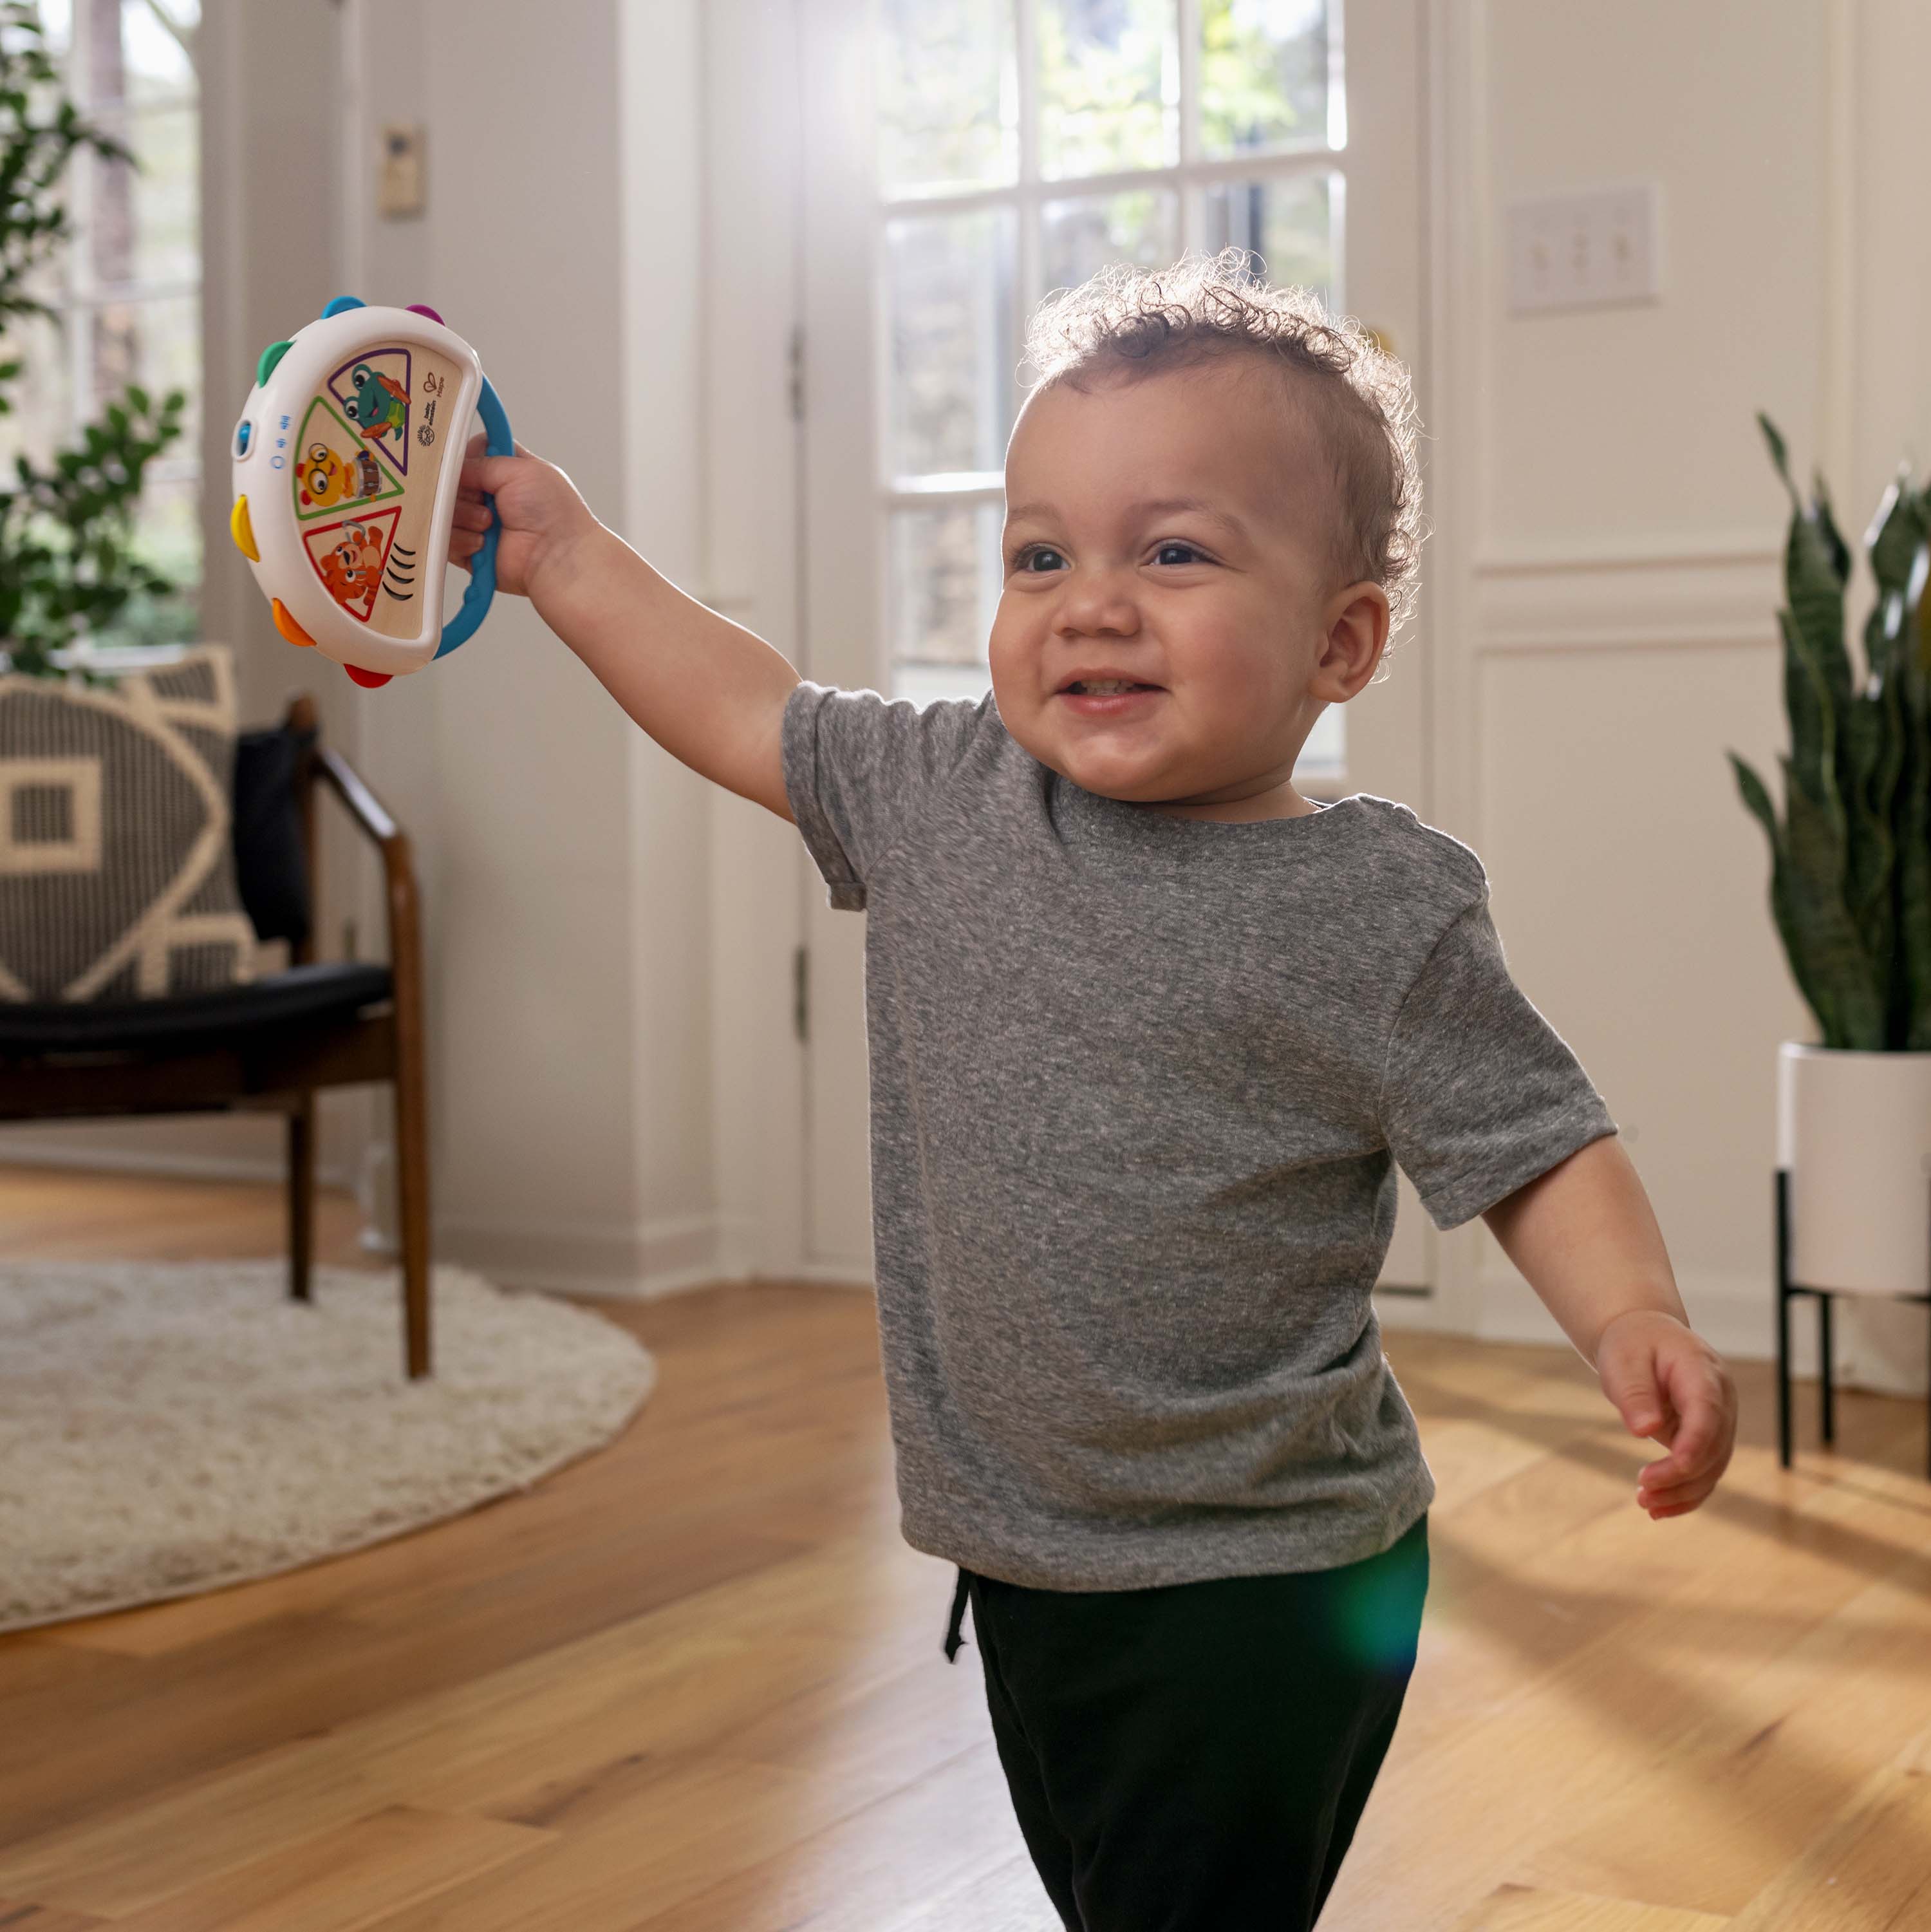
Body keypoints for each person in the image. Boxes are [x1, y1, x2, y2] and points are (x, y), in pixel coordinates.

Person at [449, 248, 1739, 1931]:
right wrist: (566, 559)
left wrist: (1630, 1307)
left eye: (1176, 550)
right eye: (1038, 552)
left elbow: (1534, 1137)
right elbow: (747, 709)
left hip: (1264, 1572)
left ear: (1340, 642)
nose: (1089, 598)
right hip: (1029, 1551)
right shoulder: (945, 799)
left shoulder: (1375, 907)